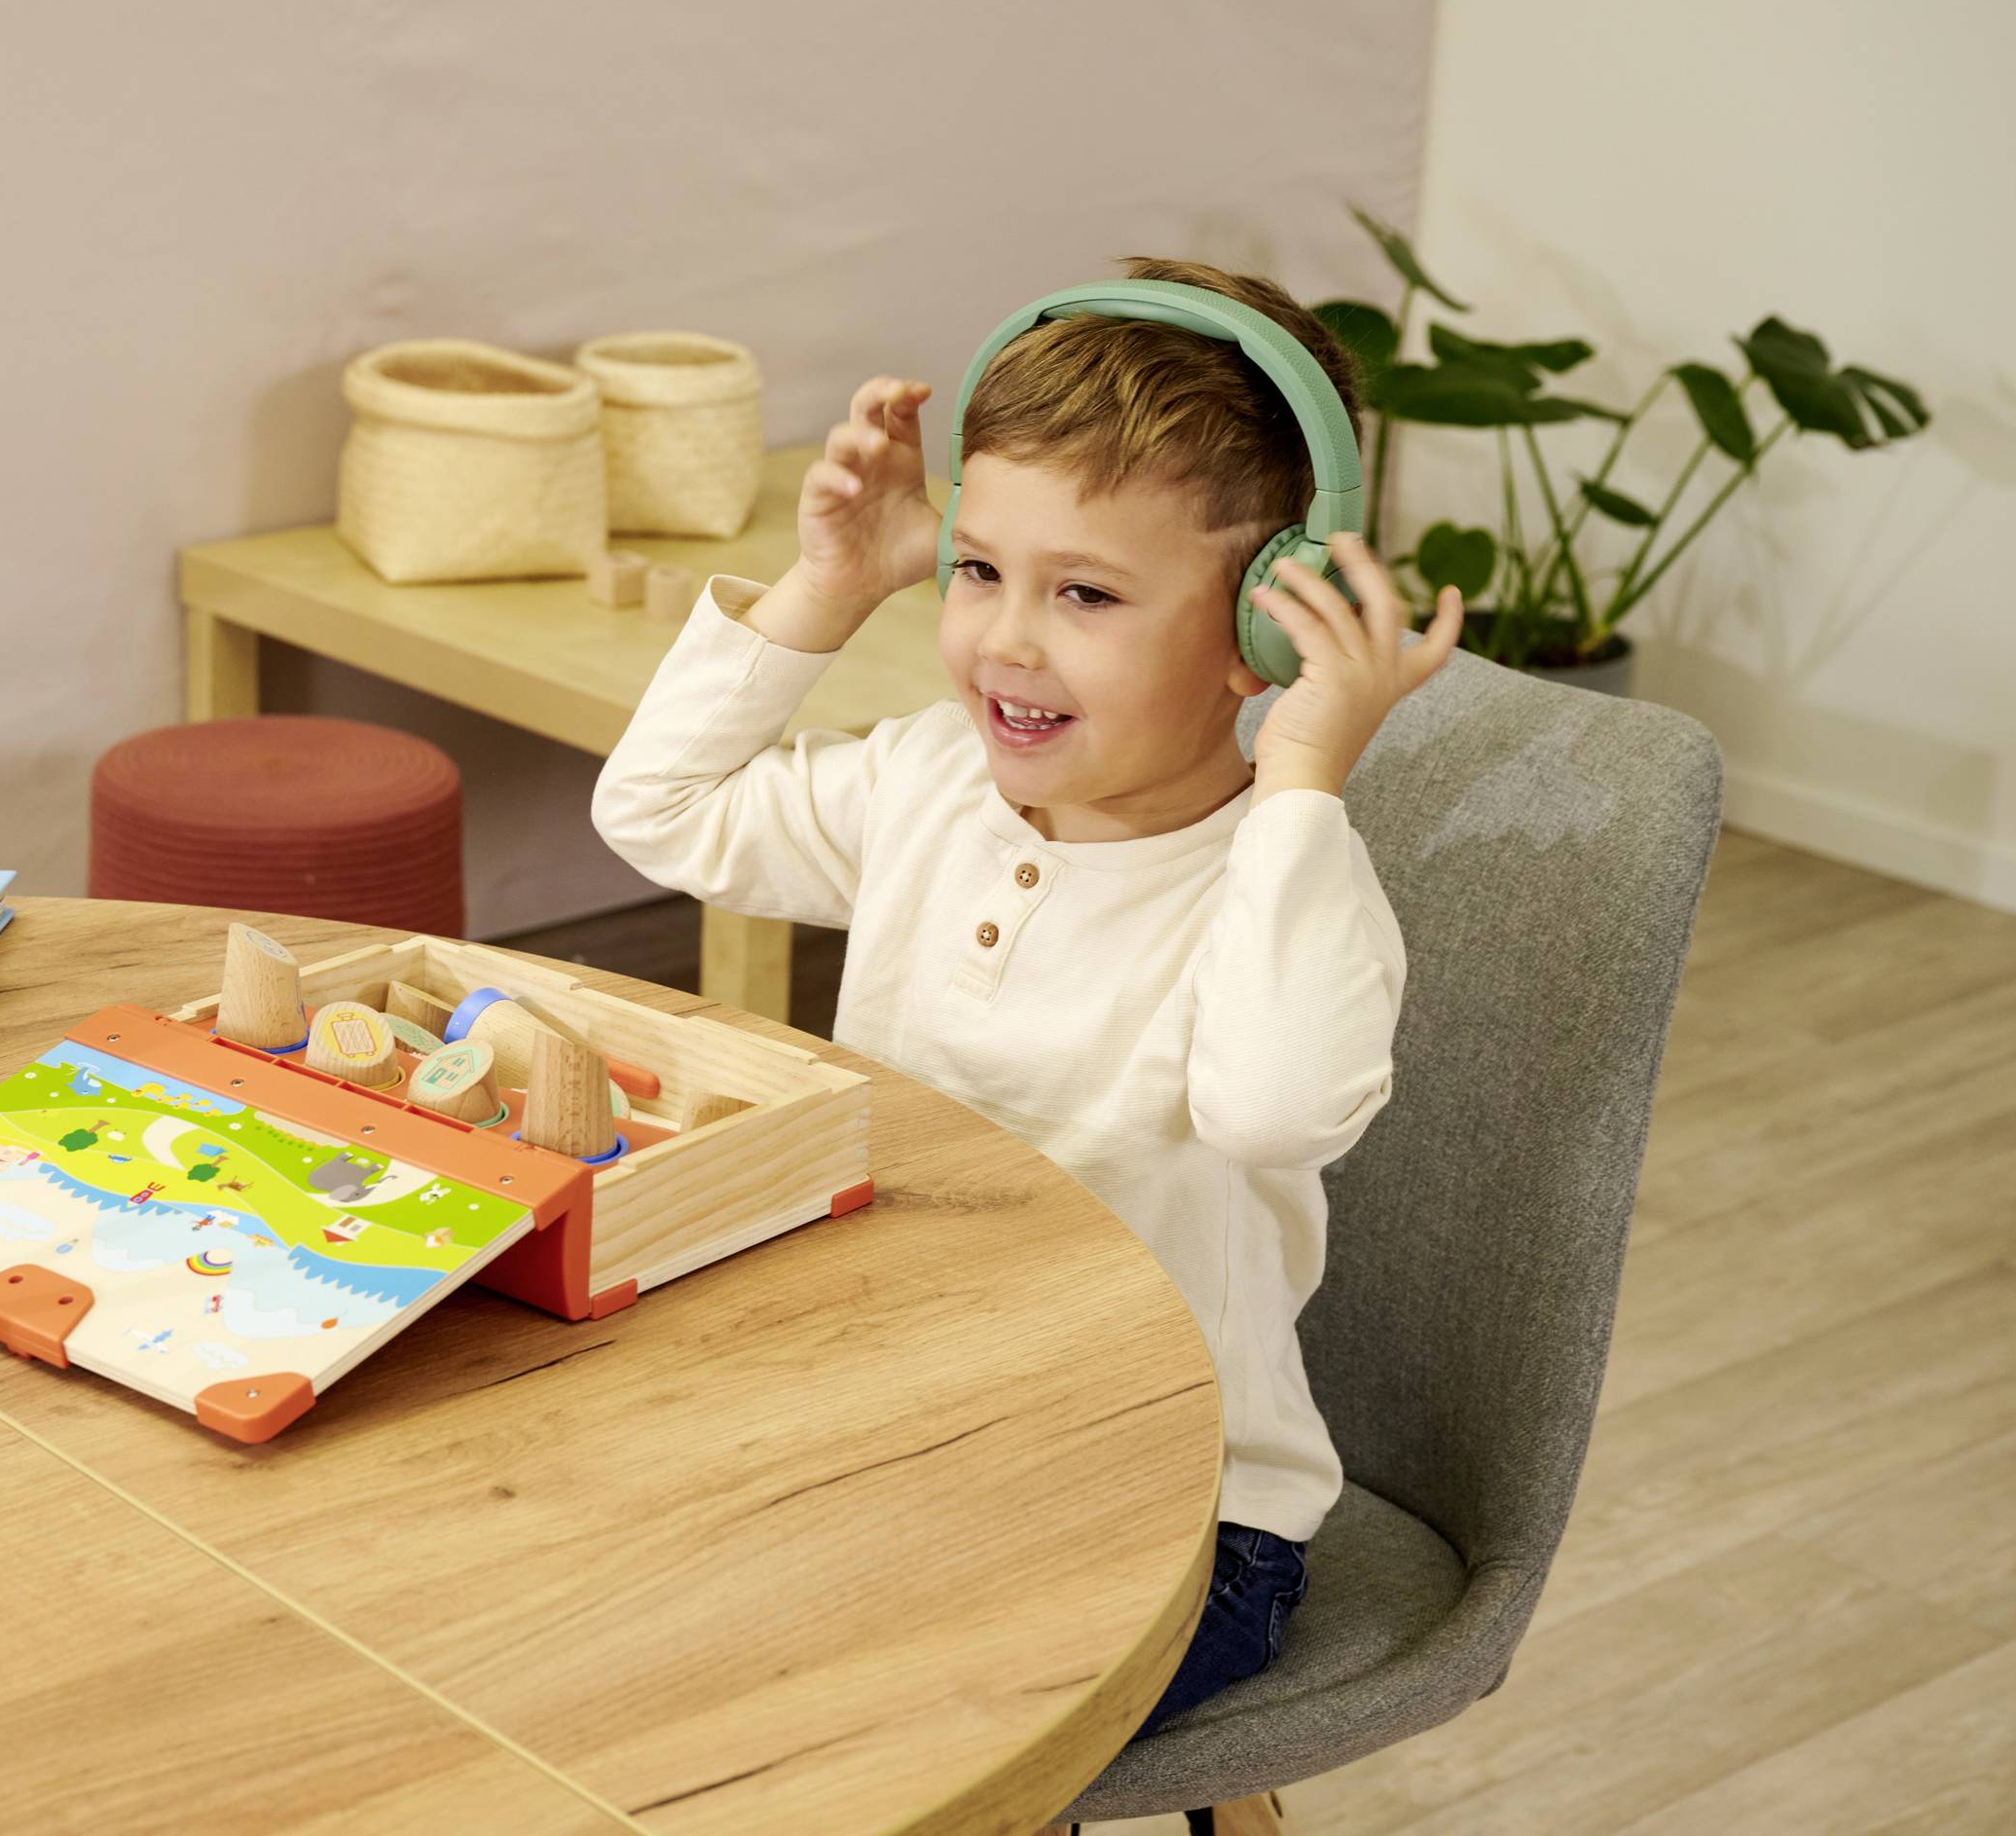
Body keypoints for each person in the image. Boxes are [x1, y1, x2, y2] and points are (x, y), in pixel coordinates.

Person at [590, 257, 1464, 1748]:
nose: (1005, 639)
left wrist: (1308, 773)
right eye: (979, 569)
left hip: (1174, 1508)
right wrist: (830, 583)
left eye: (1087, 594)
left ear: (1266, 627)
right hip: (897, 1424)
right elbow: (659, 812)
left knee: (827, 1731)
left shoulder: (1284, 887)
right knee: (606, 1599)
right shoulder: (931, 781)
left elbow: (1269, 1110)